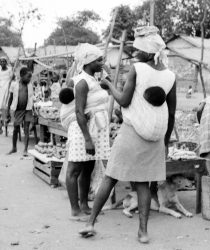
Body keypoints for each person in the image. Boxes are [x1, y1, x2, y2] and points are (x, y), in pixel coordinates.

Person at [79, 26, 176, 244]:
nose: (135, 53)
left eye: (138, 50)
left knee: (111, 176)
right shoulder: (170, 76)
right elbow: (171, 113)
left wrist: (108, 85)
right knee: (142, 184)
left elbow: (123, 101)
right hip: (155, 137)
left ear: (147, 53)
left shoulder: (137, 69)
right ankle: (142, 231)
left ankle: (91, 223)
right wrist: (166, 141)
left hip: (132, 131)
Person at [64, 43, 111, 221]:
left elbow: (109, 86)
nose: (102, 62)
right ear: (89, 62)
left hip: (95, 130)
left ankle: (84, 205)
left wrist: (106, 70)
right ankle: (75, 209)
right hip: (82, 130)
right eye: (99, 60)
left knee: (88, 168)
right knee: (75, 169)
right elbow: (78, 112)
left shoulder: (94, 80)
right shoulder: (82, 82)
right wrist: (87, 139)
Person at [7, 67, 36, 156]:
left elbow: (31, 98)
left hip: (27, 109)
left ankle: (25, 150)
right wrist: (8, 110)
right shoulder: (14, 85)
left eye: (30, 77)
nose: (29, 79)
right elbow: (11, 98)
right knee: (16, 128)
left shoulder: (30, 85)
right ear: (21, 76)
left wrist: (33, 108)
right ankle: (14, 147)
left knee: (26, 129)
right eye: (28, 77)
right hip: (18, 110)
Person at [0, 57, 15, 135]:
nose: (2, 63)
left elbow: (13, 78)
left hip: (8, 87)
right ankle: (3, 120)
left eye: (4, 61)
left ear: (6, 62)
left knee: (8, 104)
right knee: (1, 105)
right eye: (1, 61)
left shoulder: (10, 69)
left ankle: (9, 118)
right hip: (1, 88)